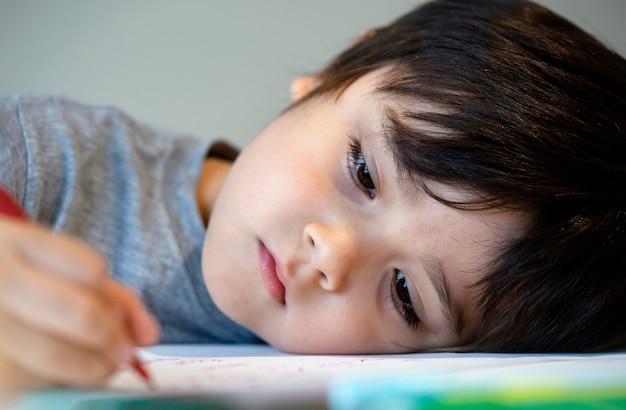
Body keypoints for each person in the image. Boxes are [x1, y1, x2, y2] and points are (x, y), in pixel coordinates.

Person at [0, 0, 624, 390]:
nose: (332, 255)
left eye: (406, 295)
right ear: (333, 70)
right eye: (364, 172)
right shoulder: (37, 160)